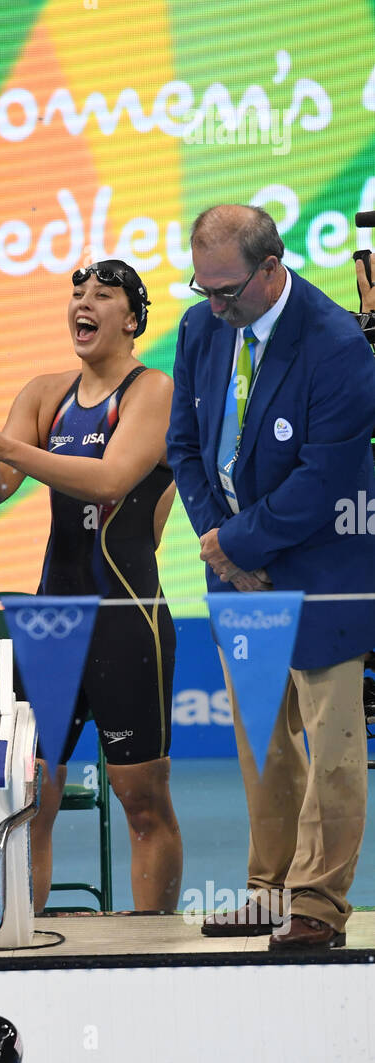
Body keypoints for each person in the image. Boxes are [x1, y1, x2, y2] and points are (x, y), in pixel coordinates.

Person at [166, 204, 375, 952]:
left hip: (325, 568)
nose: (214, 304)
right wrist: (215, 543)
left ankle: (317, 902)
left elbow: (325, 478)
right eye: (203, 287)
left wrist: (237, 543)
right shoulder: (201, 329)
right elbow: (183, 448)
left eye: (226, 290)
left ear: (271, 266)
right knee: (264, 743)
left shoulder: (336, 343)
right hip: (236, 570)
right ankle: (267, 890)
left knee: (333, 745)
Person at [0, 256, 182, 914]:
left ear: (130, 317)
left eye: (102, 295)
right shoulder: (44, 393)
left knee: (142, 801)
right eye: (77, 293)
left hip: (125, 621)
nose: (84, 303)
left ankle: (150, 951)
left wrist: (8, 448)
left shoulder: (150, 391)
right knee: (29, 798)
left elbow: (109, 482)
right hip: (50, 628)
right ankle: (22, 940)